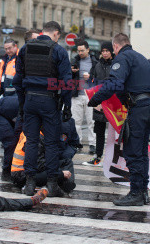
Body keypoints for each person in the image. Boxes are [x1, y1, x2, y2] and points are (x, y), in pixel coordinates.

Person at [87, 33, 150, 206]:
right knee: (140, 151)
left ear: (115, 46)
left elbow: (114, 83)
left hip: (139, 108)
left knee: (133, 150)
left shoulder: (123, 57)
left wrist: (96, 99)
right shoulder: (141, 58)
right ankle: (142, 192)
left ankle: (135, 193)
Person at [13, 20, 72, 197]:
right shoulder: (59, 50)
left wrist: (23, 104)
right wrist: (66, 105)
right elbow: (67, 83)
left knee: (31, 142)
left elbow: (17, 80)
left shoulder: (25, 48)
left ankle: (30, 184)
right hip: (49, 101)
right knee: (51, 143)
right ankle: (52, 184)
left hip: (30, 99)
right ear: (56, 33)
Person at [11, 117, 79, 194]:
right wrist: (61, 173)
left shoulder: (34, 132)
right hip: (22, 176)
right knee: (56, 174)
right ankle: (59, 185)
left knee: (66, 162)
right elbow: (39, 165)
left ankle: (67, 184)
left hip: (27, 172)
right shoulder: (36, 137)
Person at [83, 42, 115, 166]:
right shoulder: (97, 66)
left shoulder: (116, 64)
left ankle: (112, 159)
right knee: (99, 132)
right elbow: (92, 84)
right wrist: (96, 102)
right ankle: (98, 157)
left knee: (114, 133)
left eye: (107, 50)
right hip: (100, 103)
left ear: (111, 51)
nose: (105, 53)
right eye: (103, 51)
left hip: (114, 103)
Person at [71, 40, 98, 155]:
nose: (80, 52)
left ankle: (93, 144)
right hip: (76, 95)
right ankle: (78, 143)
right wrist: (72, 72)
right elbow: (67, 76)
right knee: (76, 121)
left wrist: (91, 77)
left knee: (91, 121)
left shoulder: (94, 62)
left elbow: (98, 78)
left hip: (90, 95)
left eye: (82, 50)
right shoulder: (74, 60)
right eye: (78, 50)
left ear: (88, 50)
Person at [0, 95, 22, 181]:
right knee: (11, 143)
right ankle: (6, 172)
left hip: (7, 115)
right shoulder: (27, 105)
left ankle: (10, 164)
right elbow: (19, 128)